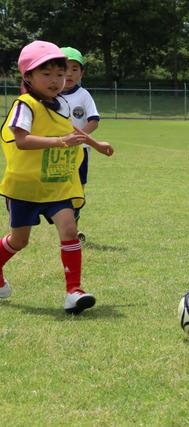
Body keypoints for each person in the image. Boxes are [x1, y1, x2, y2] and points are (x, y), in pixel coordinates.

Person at [0, 41, 113, 313]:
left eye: (60, 74)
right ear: (28, 76)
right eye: (46, 74)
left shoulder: (60, 103)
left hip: (55, 185)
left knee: (69, 228)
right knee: (19, 241)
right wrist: (60, 142)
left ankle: (74, 291)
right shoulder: (24, 105)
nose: (56, 80)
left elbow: (71, 130)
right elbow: (22, 141)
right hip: (25, 187)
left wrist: (96, 145)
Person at [60, 47, 101, 238]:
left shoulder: (83, 95)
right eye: (64, 67)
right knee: (57, 188)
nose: (69, 73)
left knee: (78, 192)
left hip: (79, 152)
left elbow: (94, 120)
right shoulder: (49, 94)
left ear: (81, 73)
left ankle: (72, 228)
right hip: (56, 150)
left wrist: (79, 137)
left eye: (75, 68)